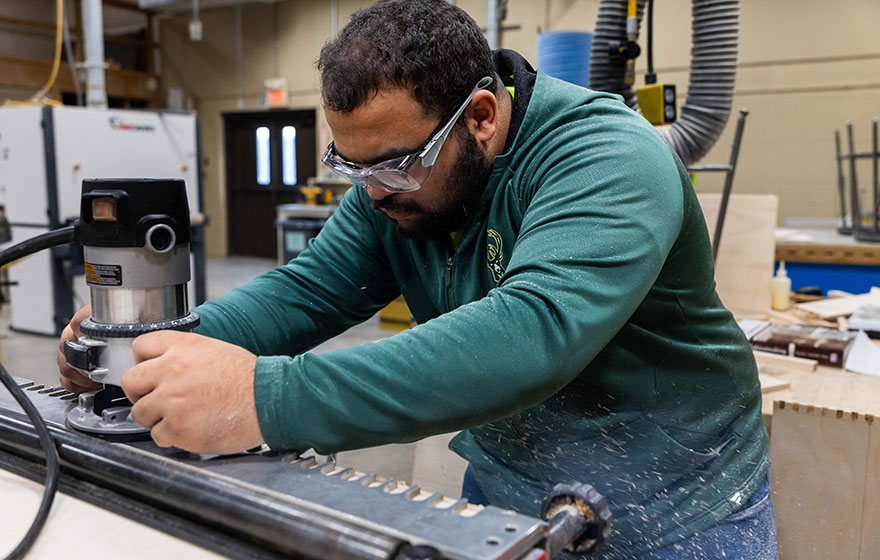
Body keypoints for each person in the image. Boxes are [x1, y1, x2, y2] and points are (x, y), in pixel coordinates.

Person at [58, 1, 777, 557]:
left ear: (482, 118)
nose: (373, 191)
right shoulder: (394, 180)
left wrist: (263, 398)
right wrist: (144, 349)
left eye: (394, 164)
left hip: (672, 502)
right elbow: (308, 291)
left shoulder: (607, 155)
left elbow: (532, 334)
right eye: (353, 165)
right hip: (508, 481)